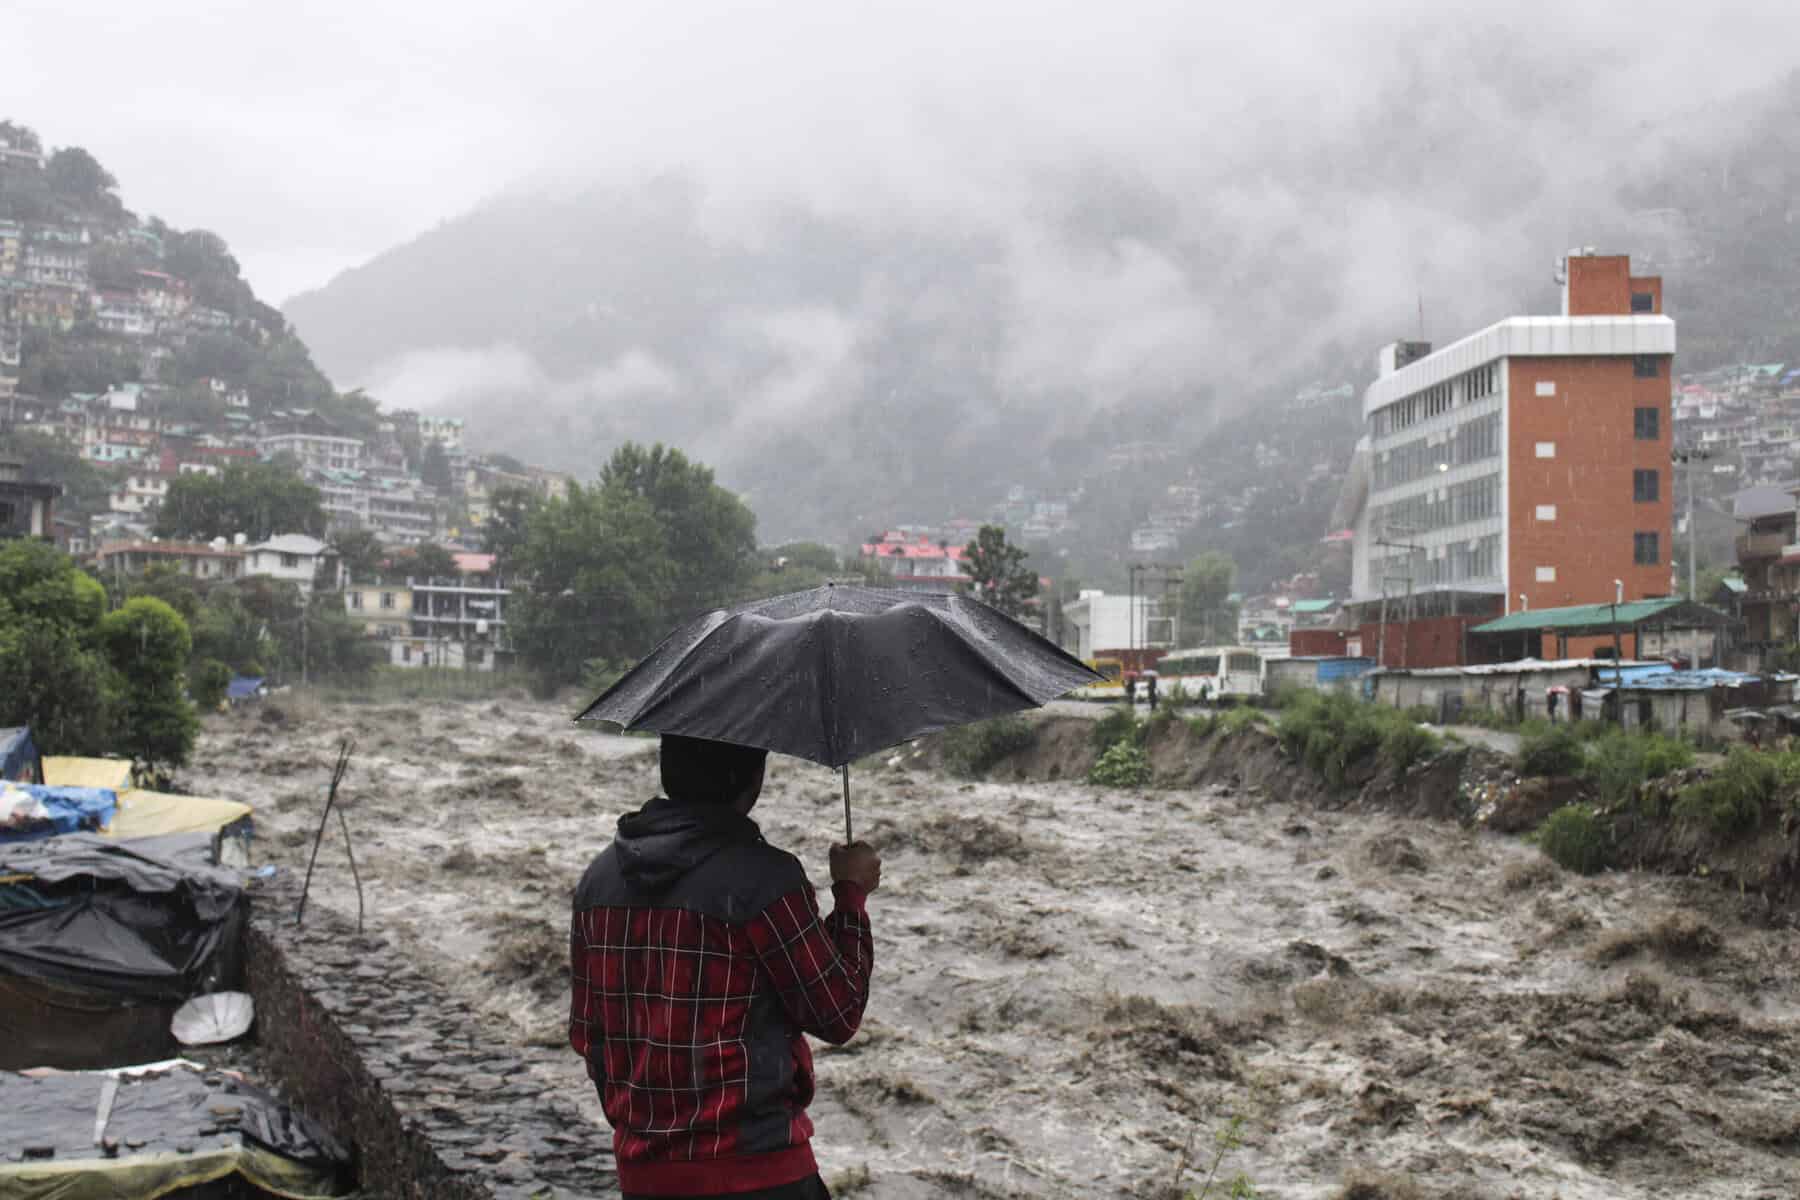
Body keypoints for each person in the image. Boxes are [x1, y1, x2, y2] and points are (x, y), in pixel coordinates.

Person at [570, 734, 880, 1199]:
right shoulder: (765, 880)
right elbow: (838, 1012)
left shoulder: (598, 881)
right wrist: (851, 895)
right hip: (760, 1174)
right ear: (751, 779)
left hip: (645, 1177)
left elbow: (588, 1036)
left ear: (669, 769)